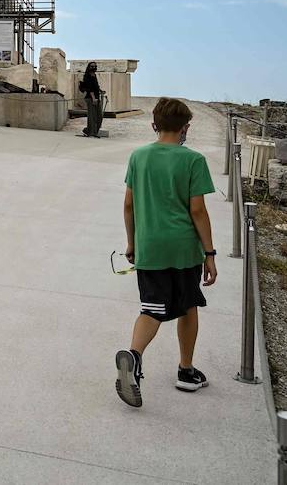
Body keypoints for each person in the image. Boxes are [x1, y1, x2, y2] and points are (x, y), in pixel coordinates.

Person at [115, 97, 217, 408]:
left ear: (154, 125)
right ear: (186, 127)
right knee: (188, 306)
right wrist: (209, 253)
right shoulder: (194, 161)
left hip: (150, 247)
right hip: (184, 249)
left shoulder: (139, 157)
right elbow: (198, 210)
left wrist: (132, 243)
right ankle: (186, 371)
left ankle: (133, 356)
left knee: (152, 309)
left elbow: (129, 204)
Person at [79, 62, 104, 137]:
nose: (94, 67)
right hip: (91, 98)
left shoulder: (94, 75)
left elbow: (96, 86)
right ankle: (91, 132)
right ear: (89, 67)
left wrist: (100, 91)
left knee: (99, 116)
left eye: (95, 66)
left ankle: (92, 131)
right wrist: (93, 98)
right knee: (92, 117)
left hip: (96, 98)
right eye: (92, 66)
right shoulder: (87, 76)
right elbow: (89, 89)